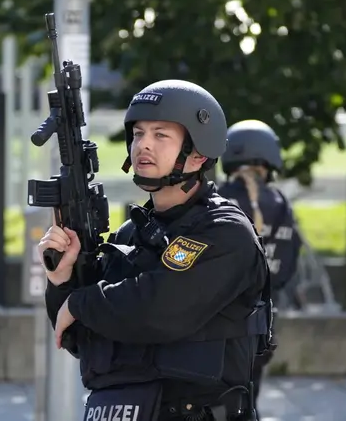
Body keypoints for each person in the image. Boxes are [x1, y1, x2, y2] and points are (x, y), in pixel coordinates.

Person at [39, 80, 274, 421]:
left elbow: (161, 307)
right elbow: (77, 337)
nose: (143, 145)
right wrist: (62, 282)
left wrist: (79, 302)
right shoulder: (131, 235)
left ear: (199, 152)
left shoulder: (225, 233)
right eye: (138, 134)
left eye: (161, 135)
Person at [217, 119, 302, 418]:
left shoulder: (216, 200)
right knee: (249, 399)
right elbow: (289, 263)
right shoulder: (280, 203)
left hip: (217, 325)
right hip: (264, 322)